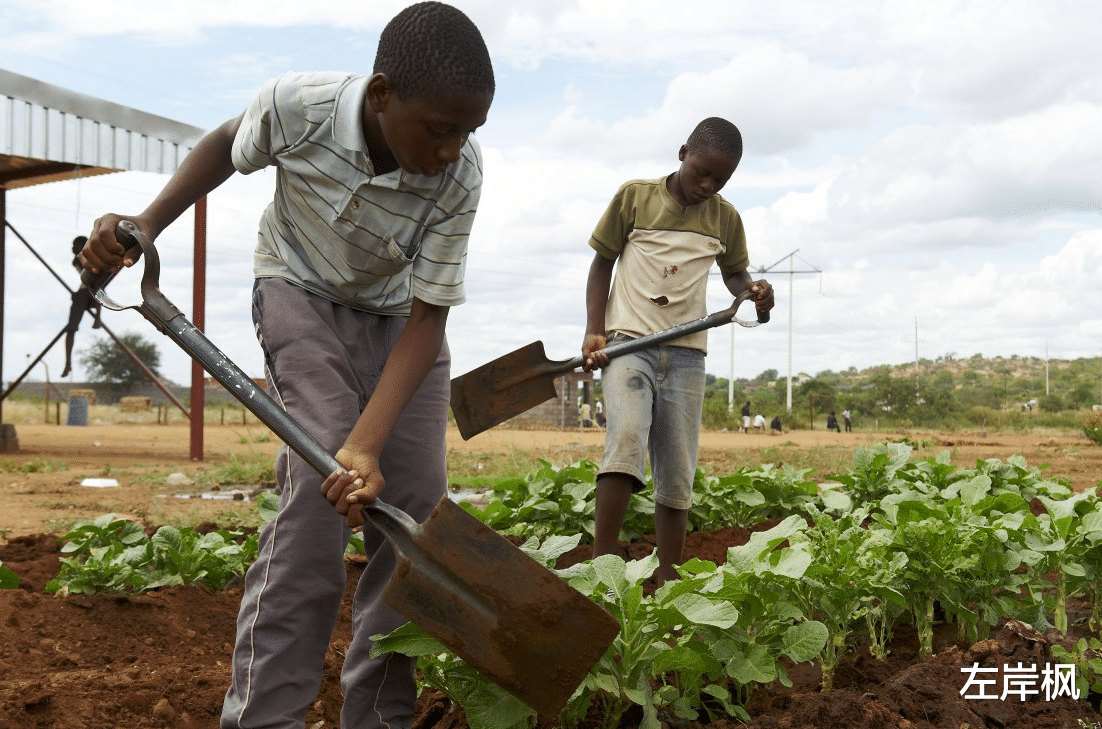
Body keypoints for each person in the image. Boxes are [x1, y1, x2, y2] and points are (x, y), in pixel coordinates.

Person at [79, 4, 494, 728]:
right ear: (381, 94)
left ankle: (378, 714)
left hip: (402, 322)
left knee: (415, 510)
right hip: (298, 289)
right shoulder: (298, 105)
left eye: (468, 132)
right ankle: (266, 713)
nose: (453, 149)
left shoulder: (459, 175)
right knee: (320, 475)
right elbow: (223, 144)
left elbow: (429, 320)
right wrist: (146, 224)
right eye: (439, 129)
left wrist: (373, 442)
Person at [581, 117, 773, 587]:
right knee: (625, 438)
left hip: (687, 353)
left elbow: (734, 274)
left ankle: (668, 581)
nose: (707, 185)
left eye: (720, 179)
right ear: (682, 152)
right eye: (701, 172)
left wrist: (754, 292)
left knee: (677, 465)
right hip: (629, 343)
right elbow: (602, 262)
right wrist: (594, 331)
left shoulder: (725, 217)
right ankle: (603, 569)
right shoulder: (635, 197)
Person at [62, 235, 102, 378]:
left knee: (98, 290)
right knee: (71, 328)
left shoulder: (95, 255)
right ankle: (68, 363)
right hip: (84, 291)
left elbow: (95, 277)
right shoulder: (76, 260)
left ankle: (98, 318)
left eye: (75, 245)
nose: (73, 248)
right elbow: (86, 277)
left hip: (93, 290)